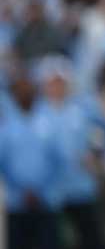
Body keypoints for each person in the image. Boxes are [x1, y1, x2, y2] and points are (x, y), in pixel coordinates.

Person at [36, 56, 105, 249]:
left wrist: (97, 153)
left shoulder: (82, 108)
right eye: (52, 82)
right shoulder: (37, 113)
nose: (56, 87)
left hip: (82, 188)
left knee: (91, 239)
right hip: (51, 192)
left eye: (60, 82)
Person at [1, 68, 65, 249]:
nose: (24, 94)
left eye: (27, 89)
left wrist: (39, 188)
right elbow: (3, 164)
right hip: (17, 203)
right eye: (20, 90)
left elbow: (57, 160)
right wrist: (22, 189)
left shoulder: (49, 123)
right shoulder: (6, 127)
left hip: (46, 201)